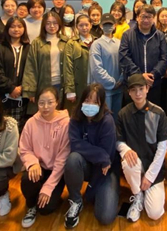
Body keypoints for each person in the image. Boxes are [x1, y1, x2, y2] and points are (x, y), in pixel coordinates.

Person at [63, 83, 119, 228]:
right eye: (87, 100)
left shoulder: (107, 121)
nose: (90, 105)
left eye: (95, 102)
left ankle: (109, 189)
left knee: (105, 216)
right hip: (87, 165)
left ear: (101, 104)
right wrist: (101, 155)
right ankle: (76, 201)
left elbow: (108, 157)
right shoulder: (75, 118)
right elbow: (75, 144)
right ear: (81, 100)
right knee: (73, 159)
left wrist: (91, 189)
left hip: (105, 170)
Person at [116, 74, 167, 222]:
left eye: (141, 89)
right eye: (134, 90)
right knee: (129, 162)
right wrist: (126, 150)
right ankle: (137, 195)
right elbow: (118, 140)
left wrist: (150, 176)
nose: (138, 93)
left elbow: (162, 148)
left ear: (147, 88)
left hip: (154, 168)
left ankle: (147, 188)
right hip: (136, 166)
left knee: (155, 213)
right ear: (129, 92)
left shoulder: (158, 113)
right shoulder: (123, 114)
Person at [19, 87, 70, 228]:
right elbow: (24, 148)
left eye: (50, 102)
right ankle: (31, 205)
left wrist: (48, 187)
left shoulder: (66, 123)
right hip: (39, 167)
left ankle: (45, 196)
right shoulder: (31, 122)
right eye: (41, 103)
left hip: (56, 172)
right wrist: (32, 163)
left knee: (46, 209)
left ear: (57, 102)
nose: (45, 107)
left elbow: (62, 158)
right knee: (27, 179)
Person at [120, 4, 167, 107]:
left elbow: (164, 58)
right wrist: (140, 76)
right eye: (143, 16)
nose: (146, 20)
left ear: (154, 18)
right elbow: (124, 57)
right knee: (132, 114)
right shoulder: (127, 35)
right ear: (137, 17)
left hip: (153, 84)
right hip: (133, 84)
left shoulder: (160, 36)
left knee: (153, 114)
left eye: (149, 17)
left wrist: (152, 75)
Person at [22, 11, 68, 115]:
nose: (52, 26)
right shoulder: (37, 42)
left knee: (60, 116)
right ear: (43, 25)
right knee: (44, 114)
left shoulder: (66, 41)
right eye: (48, 23)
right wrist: (30, 90)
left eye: (55, 23)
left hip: (61, 85)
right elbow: (30, 67)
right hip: (43, 84)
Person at [0, 17, 30, 130]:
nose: (16, 29)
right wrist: (11, 88)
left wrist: (22, 88)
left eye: (19, 26)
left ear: (24, 29)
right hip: (2, 96)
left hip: (22, 97)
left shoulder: (29, 48)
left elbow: (31, 72)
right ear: (7, 29)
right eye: (13, 26)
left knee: (17, 130)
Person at [89, 13, 122, 120]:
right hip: (104, 90)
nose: (108, 27)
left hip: (119, 89)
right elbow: (96, 69)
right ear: (100, 26)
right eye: (105, 24)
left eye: (110, 24)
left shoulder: (120, 43)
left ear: (115, 25)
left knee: (116, 120)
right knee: (104, 119)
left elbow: (125, 63)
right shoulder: (97, 44)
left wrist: (121, 80)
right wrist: (112, 83)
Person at [64, 14, 93, 110]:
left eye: (86, 25)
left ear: (91, 25)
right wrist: (70, 90)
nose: (84, 28)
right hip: (78, 86)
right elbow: (68, 66)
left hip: (94, 84)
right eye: (81, 25)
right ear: (76, 26)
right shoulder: (71, 43)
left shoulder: (97, 41)